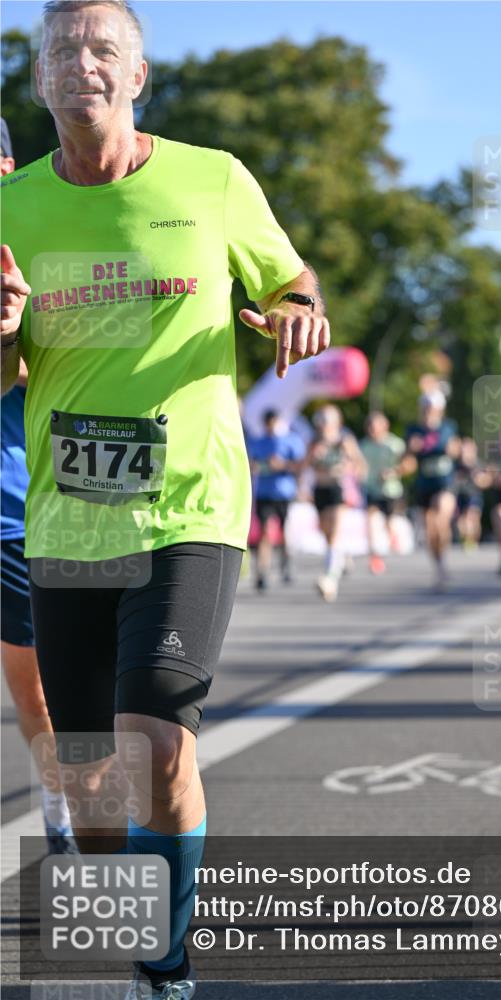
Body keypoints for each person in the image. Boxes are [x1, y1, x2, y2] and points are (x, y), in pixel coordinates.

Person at [0, 3, 330, 998]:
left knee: (158, 751)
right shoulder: (11, 207)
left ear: (137, 75)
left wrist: (298, 315)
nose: (81, 63)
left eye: (104, 49)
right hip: (70, 516)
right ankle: (141, 918)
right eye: (62, 49)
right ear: (41, 77)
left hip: (189, 508)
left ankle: (170, 968)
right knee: (94, 791)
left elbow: (293, 282)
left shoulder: (213, 178)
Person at [0, 117, 76, 854]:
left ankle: (61, 804)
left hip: (21, 510)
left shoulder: (41, 254)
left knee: (42, 696)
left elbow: (48, 368)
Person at [307, 404, 365, 601]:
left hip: (338, 488)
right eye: (321, 421)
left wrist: (349, 469)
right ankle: (339, 558)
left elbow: (359, 463)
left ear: (336, 423)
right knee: (325, 531)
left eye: (327, 421)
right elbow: (305, 465)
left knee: (334, 533)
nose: (323, 425)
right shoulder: (314, 442)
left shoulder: (343, 440)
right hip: (320, 489)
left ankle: (329, 579)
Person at [404, 389, 458, 591]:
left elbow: (455, 450)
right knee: (429, 530)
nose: (428, 412)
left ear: (439, 410)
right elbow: (407, 460)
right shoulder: (414, 430)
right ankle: (439, 566)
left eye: (432, 408)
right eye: (425, 408)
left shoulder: (447, 428)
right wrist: (411, 449)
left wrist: (454, 449)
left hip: (445, 482)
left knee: (439, 518)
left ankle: (443, 558)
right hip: (424, 484)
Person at [247, 409, 305, 589]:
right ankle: (262, 571)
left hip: (284, 492)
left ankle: (286, 563)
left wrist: (283, 465)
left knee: (285, 529)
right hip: (264, 492)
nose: (271, 428)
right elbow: (251, 464)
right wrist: (260, 466)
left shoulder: (291, 440)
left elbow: (300, 466)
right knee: (265, 532)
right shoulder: (259, 442)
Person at [359, 411, 406, 574]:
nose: (372, 429)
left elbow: (407, 465)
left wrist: (393, 472)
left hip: (390, 491)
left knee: (389, 522)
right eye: (369, 426)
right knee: (370, 521)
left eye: (375, 425)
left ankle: (392, 538)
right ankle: (375, 558)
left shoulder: (395, 444)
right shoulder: (364, 445)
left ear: (385, 426)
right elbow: (358, 465)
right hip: (371, 489)